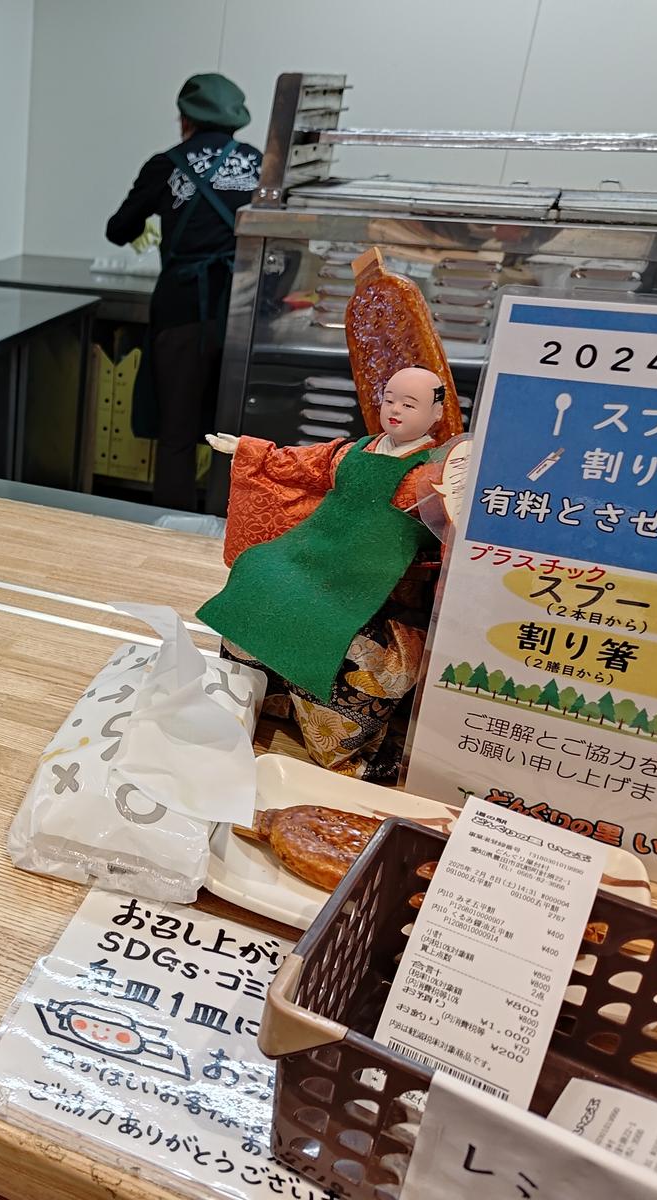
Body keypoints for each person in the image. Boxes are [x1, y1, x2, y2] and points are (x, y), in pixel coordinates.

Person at [197, 366, 462, 780]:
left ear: (436, 413)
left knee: (334, 623)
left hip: (376, 574)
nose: (394, 410)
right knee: (258, 572)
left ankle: (335, 738)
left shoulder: (439, 472)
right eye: (390, 399)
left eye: (409, 404)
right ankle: (262, 698)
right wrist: (248, 449)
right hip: (316, 548)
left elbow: (451, 527)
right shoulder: (353, 450)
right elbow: (299, 463)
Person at [105, 73, 261, 510]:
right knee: (235, 434)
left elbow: (119, 230)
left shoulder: (167, 164)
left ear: (185, 119)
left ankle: (172, 527)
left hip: (182, 312)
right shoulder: (259, 164)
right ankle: (227, 523)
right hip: (245, 314)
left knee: (176, 430)